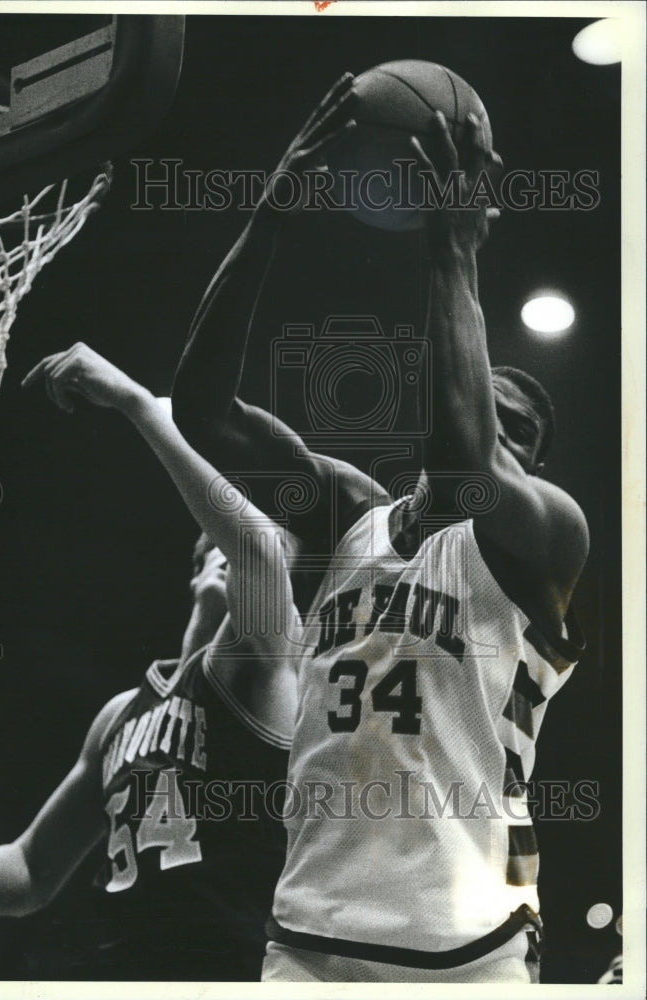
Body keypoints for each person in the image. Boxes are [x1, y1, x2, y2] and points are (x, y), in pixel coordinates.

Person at [171, 76, 589, 983]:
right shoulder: (348, 518)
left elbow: (470, 459)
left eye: (519, 431)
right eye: (489, 411)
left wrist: (456, 248)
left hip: (470, 948)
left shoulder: (546, 537)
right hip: (310, 944)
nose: (496, 435)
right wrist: (270, 212)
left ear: (536, 469)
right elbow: (202, 411)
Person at [0, 344, 301, 981]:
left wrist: (137, 402)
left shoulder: (262, 665)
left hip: (234, 968)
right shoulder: (120, 715)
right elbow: (30, 869)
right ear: (197, 560)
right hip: (125, 969)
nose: (252, 538)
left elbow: (258, 553)